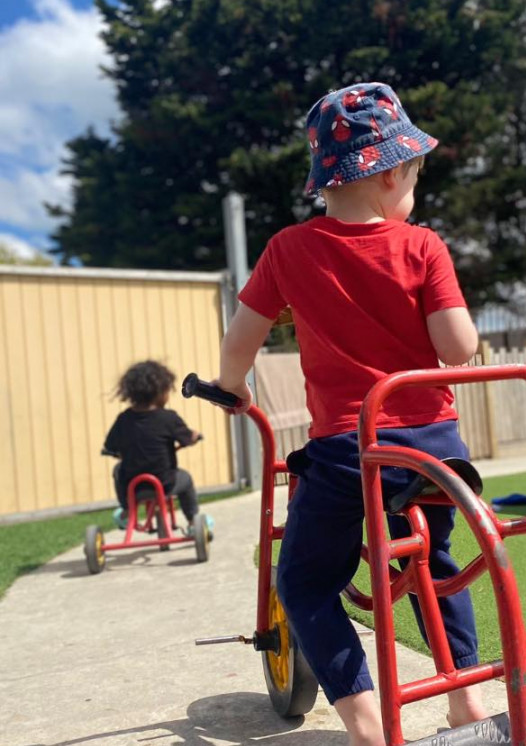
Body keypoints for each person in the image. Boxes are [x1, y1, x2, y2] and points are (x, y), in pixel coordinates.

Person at [214, 82, 486, 746]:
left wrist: (231, 385)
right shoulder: (424, 247)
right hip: (435, 452)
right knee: (434, 563)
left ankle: (369, 726)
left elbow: (242, 336)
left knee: (305, 582)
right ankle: (467, 703)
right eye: (415, 178)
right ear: (392, 172)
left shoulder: (287, 250)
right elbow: (457, 348)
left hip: (350, 451)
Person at [104, 360, 209, 534]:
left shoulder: (123, 419)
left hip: (133, 486)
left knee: (117, 470)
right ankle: (192, 521)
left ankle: (127, 509)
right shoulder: (168, 418)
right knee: (186, 479)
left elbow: (110, 446)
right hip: (165, 483)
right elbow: (187, 438)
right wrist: (195, 436)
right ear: (160, 392)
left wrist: (116, 452)